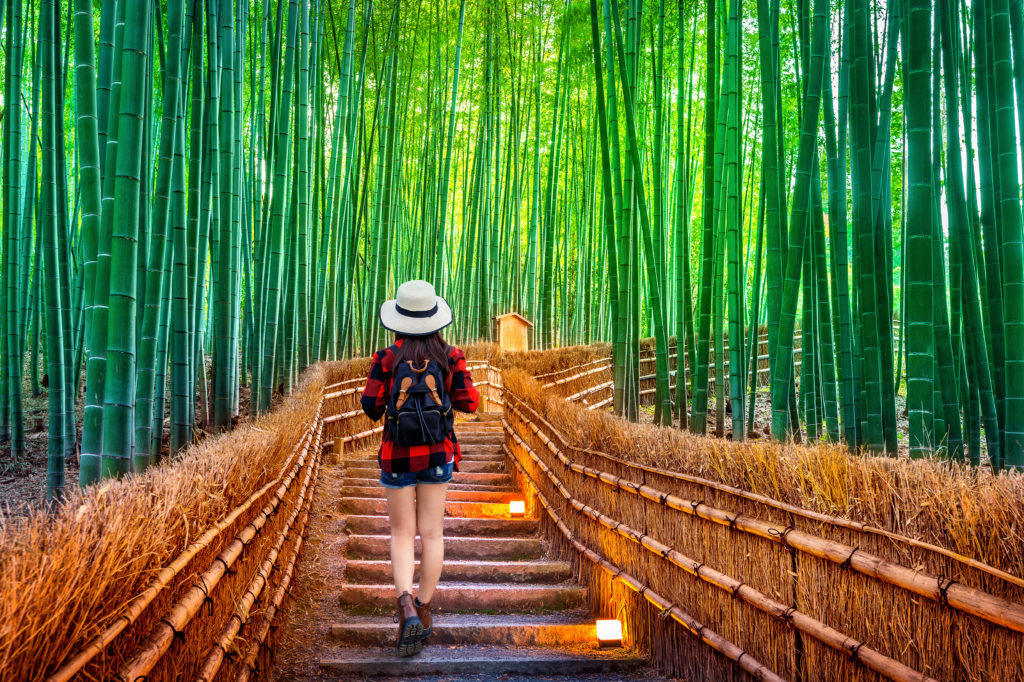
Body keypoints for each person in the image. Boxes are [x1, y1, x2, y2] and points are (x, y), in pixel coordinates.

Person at [360, 280, 480, 657]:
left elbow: (370, 405)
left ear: (398, 319)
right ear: (435, 318)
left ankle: (406, 606)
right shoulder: (450, 354)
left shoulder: (387, 357)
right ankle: (424, 611)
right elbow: (470, 402)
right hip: (437, 455)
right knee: (431, 534)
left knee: (400, 534)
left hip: (397, 455)